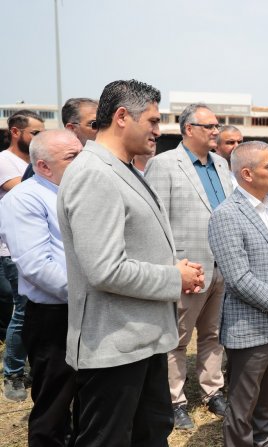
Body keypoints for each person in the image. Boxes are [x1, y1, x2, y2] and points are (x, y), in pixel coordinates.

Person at [57, 79, 205, 446]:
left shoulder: (121, 168)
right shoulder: (95, 174)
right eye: (153, 121)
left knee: (150, 434)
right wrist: (173, 277)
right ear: (122, 116)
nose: (159, 130)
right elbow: (105, 269)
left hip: (142, 339)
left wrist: (174, 267)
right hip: (114, 347)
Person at [209, 141, 268, 447]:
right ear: (247, 174)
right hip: (250, 324)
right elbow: (238, 278)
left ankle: (265, 441)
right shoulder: (226, 215)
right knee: (243, 401)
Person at [143, 103, 234, 429]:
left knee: (213, 335)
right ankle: (174, 400)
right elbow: (154, 221)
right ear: (188, 129)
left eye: (217, 125)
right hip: (187, 269)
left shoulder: (222, 165)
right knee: (176, 339)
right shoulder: (164, 165)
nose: (216, 131)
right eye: (209, 126)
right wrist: (171, 267)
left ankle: (213, 392)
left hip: (223, 267)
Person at [0, 130, 81, 445]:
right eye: (72, 157)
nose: (82, 162)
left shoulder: (74, 192)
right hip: (53, 317)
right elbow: (36, 266)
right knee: (54, 405)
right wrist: (91, 293)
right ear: (44, 166)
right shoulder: (26, 197)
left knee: (86, 400)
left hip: (87, 310)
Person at [0, 109, 44, 401]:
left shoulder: (32, 163)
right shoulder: (5, 162)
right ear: (16, 132)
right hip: (12, 251)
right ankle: (12, 374)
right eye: (35, 133)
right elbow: (26, 192)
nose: (39, 138)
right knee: (22, 310)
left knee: (34, 310)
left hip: (36, 247)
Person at [20, 99, 99, 182]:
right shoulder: (45, 161)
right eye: (95, 124)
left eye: (105, 123)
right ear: (71, 129)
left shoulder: (102, 157)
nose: (103, 128)